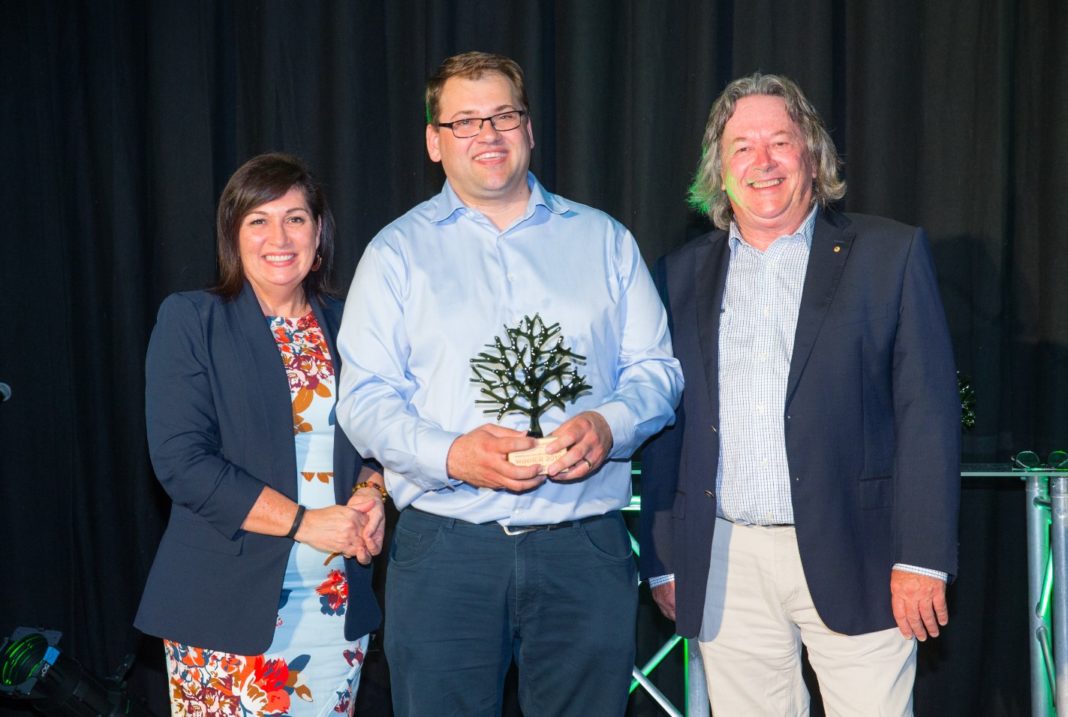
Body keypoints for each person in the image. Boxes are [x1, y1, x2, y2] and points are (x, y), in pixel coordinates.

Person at [335, 51, 683, 716]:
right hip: (446, 551)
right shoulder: (395, 254)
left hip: (583, 546)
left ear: (529, 129)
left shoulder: (605, 241)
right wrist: (451, 454)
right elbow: (365, 398)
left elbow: (657, 372)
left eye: (502, 115)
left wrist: (611, 423)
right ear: (434, 141)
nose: (486, 134)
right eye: (464, 121)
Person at [639, 73, 961, 715]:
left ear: (812, 155)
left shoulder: (888, 255)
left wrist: (923, 558)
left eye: (780, 142)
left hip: (862, 556)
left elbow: (927, 411)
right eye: (741, 147)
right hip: (726, 560)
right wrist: (666, 558)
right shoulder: (679, 275)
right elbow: (667, 423)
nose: (762, 162)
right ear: (719, 172)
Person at [136, 153, 386, 716]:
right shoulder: (191, 320)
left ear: (319, 232)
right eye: (259, 220)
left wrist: (374, 493)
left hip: (335, 607)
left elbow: (384, 434)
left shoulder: (354, 325)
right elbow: (182, 461)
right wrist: (305, 523)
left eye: (296, 218)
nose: (280, 236)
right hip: (221, 605)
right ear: (233, 234)